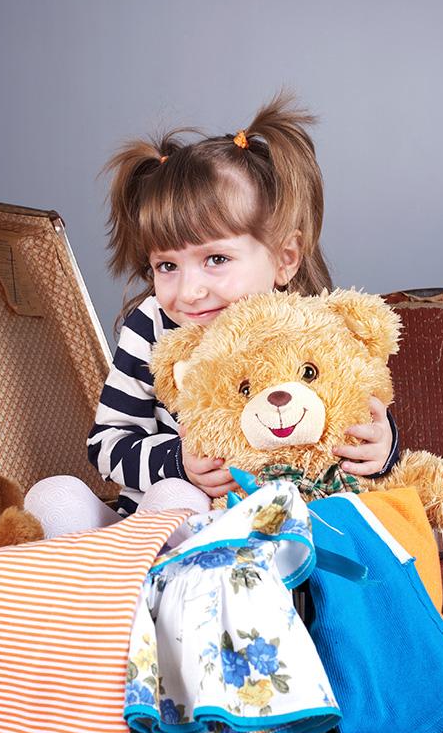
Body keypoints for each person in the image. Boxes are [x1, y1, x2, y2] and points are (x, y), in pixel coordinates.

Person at [25, 92, 398, 534]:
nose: (190, 290)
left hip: (257, 533)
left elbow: (353, 410)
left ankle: (145, 593)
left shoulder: (313, 329)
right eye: (167, 265)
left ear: (285, 258)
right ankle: (100, 589)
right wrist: (176, 461)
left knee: (179, 499)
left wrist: (382, 448)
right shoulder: (152, 326)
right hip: (143, 525)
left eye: (216, 259)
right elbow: (107, 444)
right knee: (52, 496)